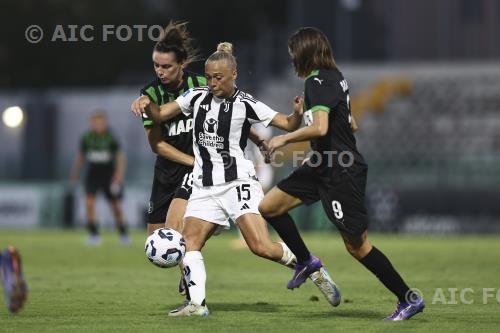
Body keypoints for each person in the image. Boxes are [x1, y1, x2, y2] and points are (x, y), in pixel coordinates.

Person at [131, 42, 340, 316]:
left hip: (237, 182)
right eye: (208, 77)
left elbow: (287, 124)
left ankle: (309, 264)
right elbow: (159, 114)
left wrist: (298, 114)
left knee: (260, 247)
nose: (212, 83)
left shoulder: (246, 103)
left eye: (218, 77)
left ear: (233, 75)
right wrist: (146, 104)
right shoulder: (195, 96)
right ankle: (197, 304)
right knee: (189, 242)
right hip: (204, 185)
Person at [259, 27, 425, 321]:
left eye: (292, 53)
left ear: (303, 53)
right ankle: (307, 261)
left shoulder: (317, 81)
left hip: (340, 172)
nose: (291, 58)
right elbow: (352, 125)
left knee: (357, 247)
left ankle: (408, 299)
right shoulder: (335, 77)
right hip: (323, 164)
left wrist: (282, 139)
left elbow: (321, 128)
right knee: (269, 207)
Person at [137, 21, 271, 299]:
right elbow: (157, 145)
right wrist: (191, 160)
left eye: (167, 67)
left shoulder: (202, 84)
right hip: (169, 168)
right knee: (156, 238)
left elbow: (235, 116)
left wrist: (258, 140)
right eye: (156, 66)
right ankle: (192, 266)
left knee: (178, 232)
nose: (160, 72)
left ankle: (192, 291)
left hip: (198, 171)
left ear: (182, 64)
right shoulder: (149, 96)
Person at [70, 110, 129, 245]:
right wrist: (75, 172)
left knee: (115, 206)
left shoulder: (110, 137)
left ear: (104, 122)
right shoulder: (87, 137)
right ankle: (94, 234)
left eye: (99, 121)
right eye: (94, 122)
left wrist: (118, 175)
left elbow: (120, 157)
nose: (97, 124)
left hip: (108, 174)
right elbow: (81, 156)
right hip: (93, 174)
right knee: (89, 204)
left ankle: (123, 234)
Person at [0, 246, 28, 313]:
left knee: (15, 287)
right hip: (12, 276)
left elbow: (12, 250)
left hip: (13, 276)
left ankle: (15, 301)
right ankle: (15, 302)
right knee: (17, 288)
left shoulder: (7, 254)